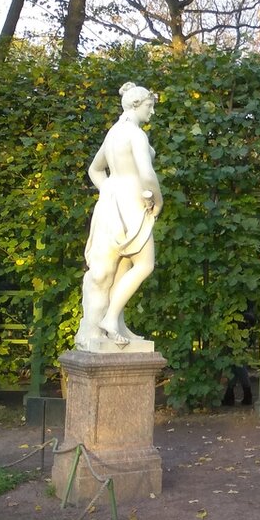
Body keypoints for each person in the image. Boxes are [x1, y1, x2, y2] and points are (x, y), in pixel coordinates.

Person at [76, 82, 163, 349]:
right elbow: (147, 175)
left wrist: (110, 192)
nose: (152, 112)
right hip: (132, 205)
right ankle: (111, 319)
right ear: (137, 105)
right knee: (145, 265)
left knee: (118, 269)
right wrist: (158, 201)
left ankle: (116, 323)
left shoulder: (113, 133)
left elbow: (95, 170)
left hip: (111, 205)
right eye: (150, 106)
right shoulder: (136, 135)